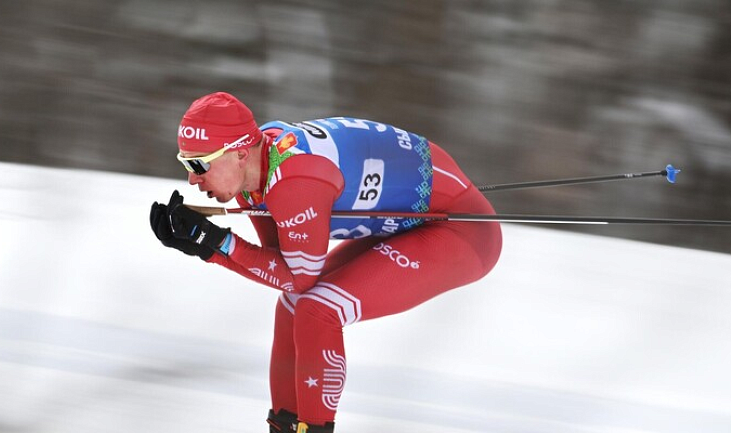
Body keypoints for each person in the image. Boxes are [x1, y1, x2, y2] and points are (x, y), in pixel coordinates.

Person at [150, 92, 503, 433]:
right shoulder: (255, 171)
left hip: (462, 231)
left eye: (199, 164)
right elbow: (283, 272)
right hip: (409, 221)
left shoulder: (293, 180)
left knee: (319, 309)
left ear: (239, 152)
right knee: (292, 306)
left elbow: (298, 277)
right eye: (186, 163)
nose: (192, 179)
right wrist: (203, 246)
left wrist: (214, 243)